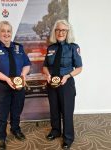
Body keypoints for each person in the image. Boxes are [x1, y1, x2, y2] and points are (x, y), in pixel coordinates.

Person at [0, 21, 31, 150]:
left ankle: (15, 129)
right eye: (3, 31)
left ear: (11, 33)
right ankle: (1, 137)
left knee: (17, 109)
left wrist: (23, 75)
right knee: (1, 113)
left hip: (18, 86)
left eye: (8, 31)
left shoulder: (19, 48)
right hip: (1, 86)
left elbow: (26, 64)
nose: (6, 33)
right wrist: (7, 79)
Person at [43, 20, 82, 149]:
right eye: (58, 30)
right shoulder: (51, 48)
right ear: (55, 32)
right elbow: (45, 66)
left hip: (66, 83)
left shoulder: (73, 47)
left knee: (66, 111)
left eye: (63, 30)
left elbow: (79, 68)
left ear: (67, 32)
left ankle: (68, 137)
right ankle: (55, 131)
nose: (60, 32)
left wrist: (67, 76)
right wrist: (47, 75)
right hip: (51, 83)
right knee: (54, 109)